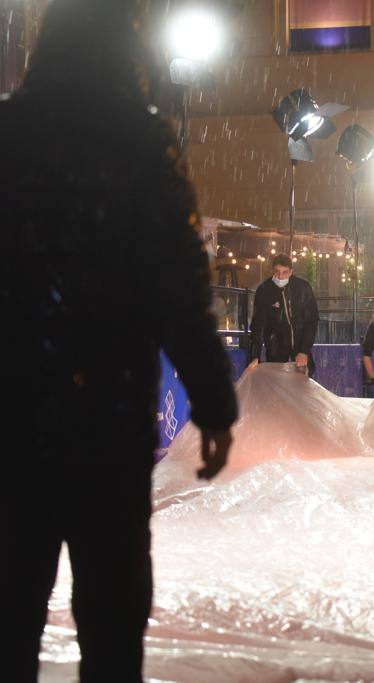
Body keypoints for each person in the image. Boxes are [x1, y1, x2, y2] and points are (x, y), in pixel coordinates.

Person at [0, 2, 239, 680]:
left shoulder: (7, 134)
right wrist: (213, 401)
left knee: (11, 599)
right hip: (107, 410)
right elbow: (178, 279)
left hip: (12, 410)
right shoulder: (139, 139)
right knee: (111, 607)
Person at [249, 254, 320, 378]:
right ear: (272, 270)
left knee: (302, 388)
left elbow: (311, 320)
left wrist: (304, 350)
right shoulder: (264, 290)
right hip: (276, 350)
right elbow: (258, 324)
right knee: (276, 387)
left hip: (300, 349)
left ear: (291, 272)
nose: (280, 276)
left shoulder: (303, 288)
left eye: (285, 272)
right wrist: (255, 355)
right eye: (277, 272)